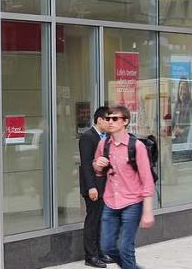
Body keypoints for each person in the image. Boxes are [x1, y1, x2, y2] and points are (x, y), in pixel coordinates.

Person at [93, 106, 155, 269]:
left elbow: (147, 179)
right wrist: (98, 166)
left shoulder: (137, 146)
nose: (110, 122)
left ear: (125, 121)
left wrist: (147, 211)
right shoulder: (103, 144)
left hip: (132, 202)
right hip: (110, 201)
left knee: (125, 248)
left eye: (115, 119)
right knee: (107, 247)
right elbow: (98, 172)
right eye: (108, 119)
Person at [79, 106, 113, 268]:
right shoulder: (87, 137)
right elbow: (86, 165)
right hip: (93, 187)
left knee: (101, 221)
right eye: (108, 119)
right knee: (92, 221)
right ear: (99, 120)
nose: (110, 122)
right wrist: (92, 187)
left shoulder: (107, 137)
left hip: (105, 186)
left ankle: (100, 252)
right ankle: (90, 256)